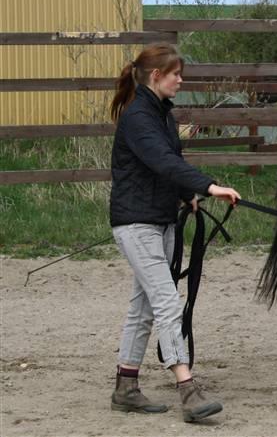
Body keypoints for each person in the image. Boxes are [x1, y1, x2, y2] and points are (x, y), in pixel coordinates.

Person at [108, 42, 241, 423]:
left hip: (161, 220)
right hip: (136, 225)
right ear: (156, 76)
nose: (181, 80)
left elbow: (169, 164)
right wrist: (209, 186)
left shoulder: (163, 116)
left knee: (145, 308)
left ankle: (126, 387)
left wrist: (188, 194)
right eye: (176, 74)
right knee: (167, 302)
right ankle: (188, 389)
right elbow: (160, 160)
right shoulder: (139, 119)